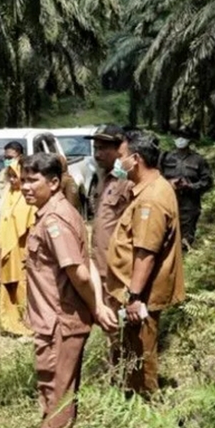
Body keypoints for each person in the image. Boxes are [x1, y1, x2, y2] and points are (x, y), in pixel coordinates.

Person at [20, 153, 117, 428]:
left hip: (58, 325)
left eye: (32, 180)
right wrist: (98, 304)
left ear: (53, 183)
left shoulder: (54, 220)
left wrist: (96, 308)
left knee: (57, 401)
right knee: (60, 395)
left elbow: (80, 273)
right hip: (56, 322)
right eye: (23, 180)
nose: (25, 187)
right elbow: (86, 263)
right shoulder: (59, 211)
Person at [107, 132, 185, 396]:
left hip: (143, 294)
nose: (118, 162)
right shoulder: (152, 188)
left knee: (141, 351)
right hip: (141, 290)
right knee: (135, 349)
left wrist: (134, 296)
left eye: (121, 156)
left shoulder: (150, 199)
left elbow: (146, 252)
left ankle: (146, 400)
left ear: (136, 159)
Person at [84, 126, 133, 317]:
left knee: (121, 319)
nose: (97, 154)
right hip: (101, 264)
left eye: (103, 148)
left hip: (119, 268)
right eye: (95, 148)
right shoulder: (105, 178)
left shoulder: (128, 180)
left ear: (120, 149)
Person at [0, 160, 35, 337]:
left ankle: (27, 324)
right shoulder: (9, 196)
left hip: (21, 249)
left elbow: (30, 225)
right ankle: (10, 322)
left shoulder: (28, 198)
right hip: (7, 249)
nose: (12, 180)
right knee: (8, 285)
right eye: (10, 176)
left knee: (22, 285)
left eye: (16, 176)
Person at [159, 130, 214, 250]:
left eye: (183, 136)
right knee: (165, 234)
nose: (180, 139)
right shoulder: (166, 157)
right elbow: (157, 177)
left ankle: (184, 256)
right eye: (177, 136)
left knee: (186, 237)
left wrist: (190, 186)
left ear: (189, 140)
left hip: (189, 203)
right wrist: (169, 183)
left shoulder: (198, 159)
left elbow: (207, 182)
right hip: (168, 201)